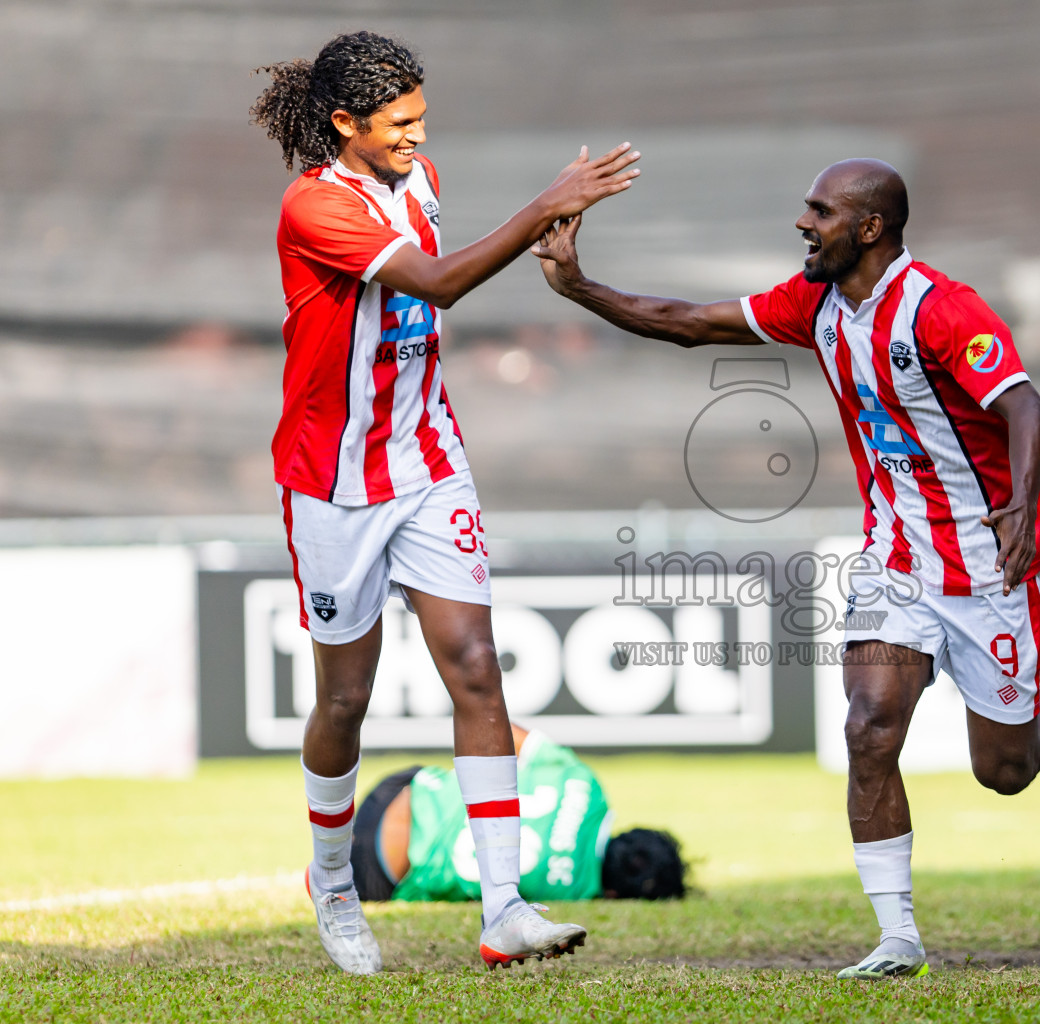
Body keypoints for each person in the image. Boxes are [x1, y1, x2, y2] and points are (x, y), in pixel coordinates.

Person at [531, 158, 1040, 980]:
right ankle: (897, 938)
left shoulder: (945, 309)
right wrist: (581, 288)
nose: (803, 224)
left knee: (1006, 771)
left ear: (870, 228)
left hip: (991, 560)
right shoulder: (815, 303)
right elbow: (689, 322)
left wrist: (1019, 504)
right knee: (869, 725)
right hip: (893, 560)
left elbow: (1024, 404)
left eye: (820, 211)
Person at [249, 30, 641, 974]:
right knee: (345, 698)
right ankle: (336, 890)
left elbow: (431, 295)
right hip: (335, 482)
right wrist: (543, 204)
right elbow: (438, 281)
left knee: (475, 667)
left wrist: (550, 236)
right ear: (344, 124)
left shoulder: (415, 180)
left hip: (429, 462)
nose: (417, 137)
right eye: (398, 124)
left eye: (423, 118)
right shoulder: (314, 206)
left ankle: (504, 908)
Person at [351, 725, 687, 907]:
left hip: (399, 790)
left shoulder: (586, 784)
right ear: (615, 895)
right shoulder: (574, 895)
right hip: (378, 872)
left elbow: (497, 728)